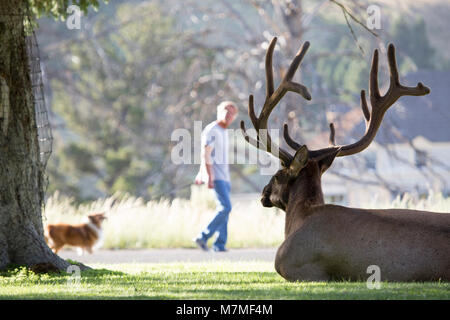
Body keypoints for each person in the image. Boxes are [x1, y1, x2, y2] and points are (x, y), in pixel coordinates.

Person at [193, 101, 238, 252]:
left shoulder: (224, 131)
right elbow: (205, 154)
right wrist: (208, 175)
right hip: (216, 176)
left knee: (224, 209)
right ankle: (203, 236)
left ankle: (219, 244)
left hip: (225, 177)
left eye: (232, 113)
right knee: (226, 207)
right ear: (219, 111)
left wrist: (200, 174)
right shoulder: (212, 129)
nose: (228, 115)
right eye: (226, 111)